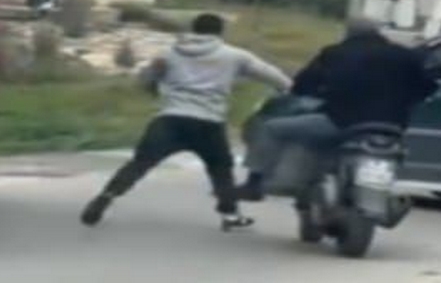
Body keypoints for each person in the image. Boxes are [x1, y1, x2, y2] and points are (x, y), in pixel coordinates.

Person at [80, 13, 291, 230]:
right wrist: (287, 89)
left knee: (140, 163)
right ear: (220, 32)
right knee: (220, 168)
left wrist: (154, 86)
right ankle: (230, 215)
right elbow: (273, 76)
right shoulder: (234, 56)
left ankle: (106, 196)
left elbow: (146, 77)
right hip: (208, 122)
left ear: (193, 29)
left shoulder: (169, 53)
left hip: (171, 118)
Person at [237, 19, 438, 201]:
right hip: (392, 127)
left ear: (348, 33)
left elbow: (302, 85)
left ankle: (253, 183)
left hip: (341, 123)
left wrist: (321, 91)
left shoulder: (335, 53)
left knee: (272, 128)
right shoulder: (405, 55)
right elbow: (428, 88)